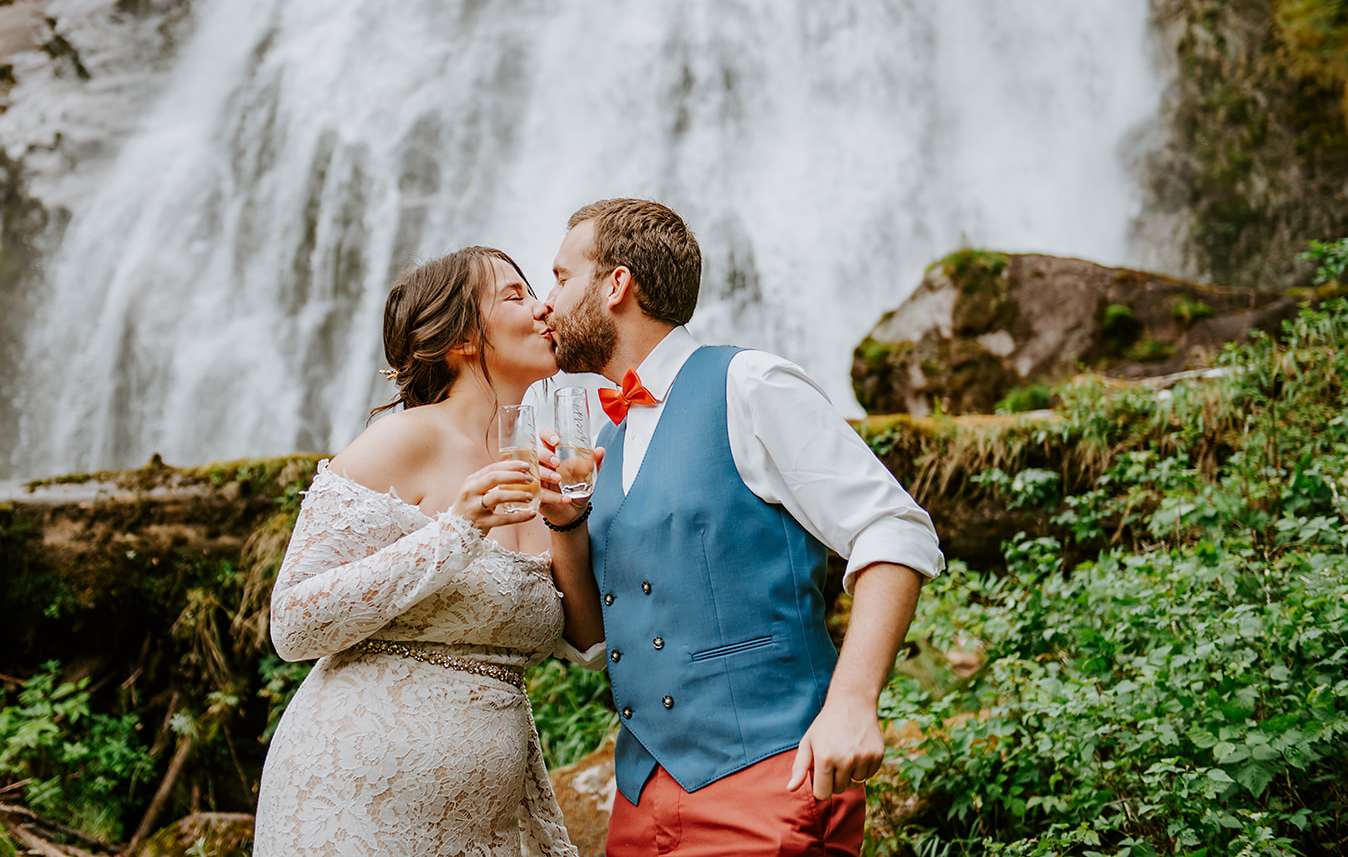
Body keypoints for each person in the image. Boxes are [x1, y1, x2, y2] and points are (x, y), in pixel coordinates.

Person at [541, 199, 944, 856]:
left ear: (616, 284)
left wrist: (852, 700)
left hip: (768, 780)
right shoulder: (610, 439)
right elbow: (592, 639)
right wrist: (566, 522)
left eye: (561, 276)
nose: (545, 302)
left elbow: (894, 527)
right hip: (639, 800)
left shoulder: (749, 384)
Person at [253, 246, 600, 857]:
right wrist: (456, 530)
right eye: (516, 296)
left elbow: (588, 647)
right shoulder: (403, 439)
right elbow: (293, 623)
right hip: (353, 802)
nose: (546, 306)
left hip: (486, 818)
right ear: (462, 337)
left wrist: (569, 525)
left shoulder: (534, 465)